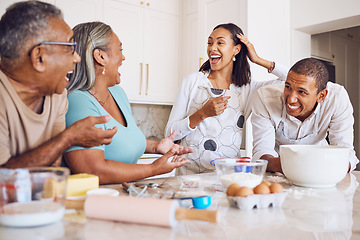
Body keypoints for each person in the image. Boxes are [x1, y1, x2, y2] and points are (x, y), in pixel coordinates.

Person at [65, 21, 192, 184]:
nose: (123, 57)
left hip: (124, 194)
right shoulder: (78, 101)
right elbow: (93, 170)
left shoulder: (117, 93)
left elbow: (121, 140)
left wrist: (156, 147)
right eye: (120, 49)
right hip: (95, 201)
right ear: (100, 57)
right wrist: (153, 168)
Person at [0, 1, 117, 168]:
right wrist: (68, 138)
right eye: (70, 47)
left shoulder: (57, 95)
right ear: (39, 58)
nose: (77, 58)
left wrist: (65, 140)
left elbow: (52, 169)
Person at [165, 23, 289, 175]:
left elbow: (290, 79)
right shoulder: (193, 82)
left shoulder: (248, 89)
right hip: (189, 176)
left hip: (227, 177)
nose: (212, 48)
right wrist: (202, 114)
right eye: (210, 43)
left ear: (236, 50)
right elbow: (169, 134)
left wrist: (257, 59)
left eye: (220, 43)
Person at [251, 58, 359, 172]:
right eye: (288, 87)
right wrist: (297, 165)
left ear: (321, 96)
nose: (291, 99)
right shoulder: (264, 98)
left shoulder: (336, 98)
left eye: (301, 92)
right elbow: (262, 154)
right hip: (279, 166)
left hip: (321, 165)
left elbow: (344, 152)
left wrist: (327, 167)